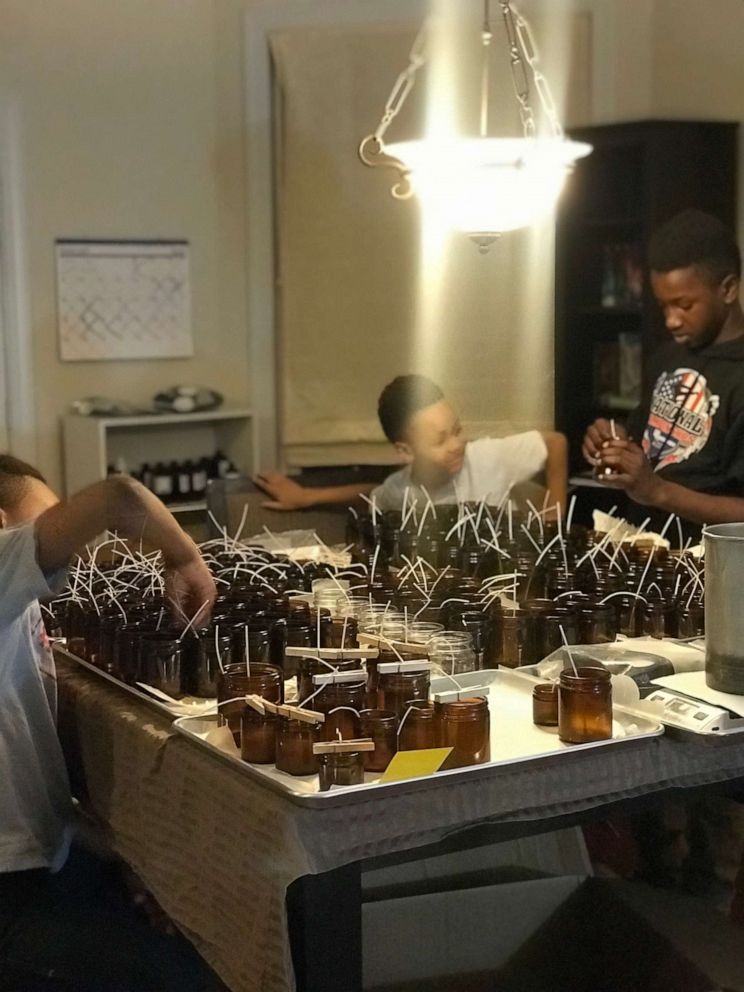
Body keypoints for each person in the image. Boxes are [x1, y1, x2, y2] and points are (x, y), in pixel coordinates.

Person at [0, 455, 223, 991]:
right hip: (12, 891)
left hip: (40, 859)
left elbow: (34, 795)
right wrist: (186, 558)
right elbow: (118, 497)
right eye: (47, 526)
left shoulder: (16, 605)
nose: (69, 557)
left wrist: (122, 853)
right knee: (201, 975)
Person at [583, 210, 744, 537]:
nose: (671, 321)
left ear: (727, 290)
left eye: (684, 305)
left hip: (707, 565)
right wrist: (615, 442)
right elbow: (646, 444)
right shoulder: (667, 356)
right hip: (643, 546)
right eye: (664, 306)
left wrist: (657, 491)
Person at [256, 375, 568, 516]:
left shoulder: (487, 457)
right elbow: (372, 495)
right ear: (405, 451)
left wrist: (553, 522)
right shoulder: (400, 491)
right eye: (439, 440)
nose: (457, 444)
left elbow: (555, 444)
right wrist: (307, 496)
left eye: (456, 430)